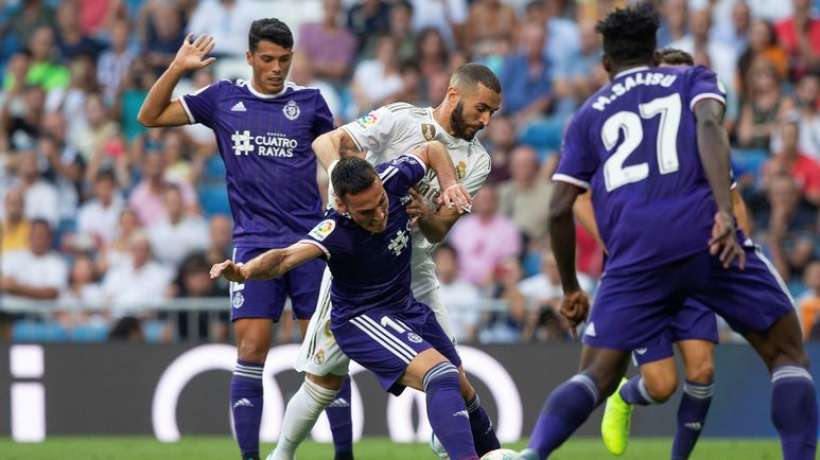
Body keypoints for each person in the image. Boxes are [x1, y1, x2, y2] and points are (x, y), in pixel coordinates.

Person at [516, 4, 816, 460]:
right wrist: (722, 211)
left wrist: (571, 288)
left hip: (635, 257)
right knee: (786, 354)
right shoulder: (692, 79)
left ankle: (531, 454)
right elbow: (712, 126)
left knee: (596, 374)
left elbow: (560, 206)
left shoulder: (586, 115)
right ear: (655, 54)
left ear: (605, 63)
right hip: (705, 238)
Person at [269, 63, 503, 460]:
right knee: (323, 380)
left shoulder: (477, 161)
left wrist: (425, 212)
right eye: (481, 108)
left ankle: (450, 443)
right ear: (452, 94)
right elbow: (328, 142)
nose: (485, 120)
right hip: (358, 273)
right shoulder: (399, 119)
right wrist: (346, 186)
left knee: (451, 376)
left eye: (492, 113)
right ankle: (282, 454)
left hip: (414, 271)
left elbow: (438, 231)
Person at [136, 19, 344, 460]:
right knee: (251, 350)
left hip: (309, 246)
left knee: (326, 358)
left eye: (284, 60)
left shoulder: (310, 103)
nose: (276, 68)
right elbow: (148, 116)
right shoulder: (223, 99)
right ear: (249, 57)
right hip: (253, 244)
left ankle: (344, 455)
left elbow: (339, 161)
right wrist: (177, 68)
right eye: (267, 59)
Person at [211, 148, 479, 460]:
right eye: (366, 211)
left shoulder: (392, 176)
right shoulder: (333, 228)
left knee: (459, 385)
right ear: (340, 203)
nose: (379, 215)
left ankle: (477, 448)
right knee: (322, 382)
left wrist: (449, 185)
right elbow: (285, 257)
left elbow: (432, 149)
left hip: (402, 302)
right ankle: (282, 454)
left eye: (381, 203)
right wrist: (244, 271)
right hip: (354, 312)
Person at [572, 47, 756, 460]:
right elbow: (577, 198)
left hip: (693, 266)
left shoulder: (704, 143)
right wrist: (616, 242)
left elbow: (735, 200)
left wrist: (740, 245)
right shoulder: (621, 134)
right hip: (640, 273)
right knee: (661, 384)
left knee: (703, 371)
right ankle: (626, 396)